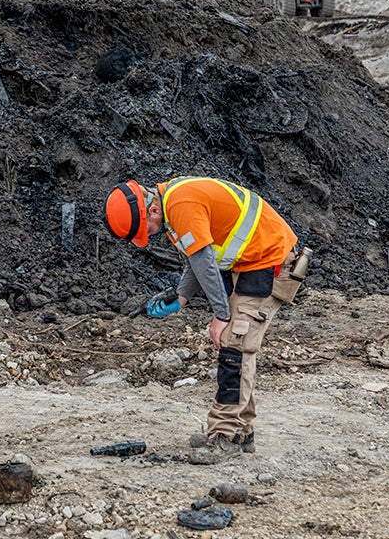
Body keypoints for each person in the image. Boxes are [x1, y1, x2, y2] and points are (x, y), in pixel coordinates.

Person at [103, 176, 306, 459]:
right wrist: (182, 296)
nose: (148, 237)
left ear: (150, 210)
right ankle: (241, 431)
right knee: (237, 344)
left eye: (145, 230)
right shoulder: (173, 203)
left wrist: (221, 315)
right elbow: (197, 255)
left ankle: (226, 436)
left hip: (269, 261)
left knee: (235, 344)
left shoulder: (181, 203)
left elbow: (204, 260)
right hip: (252, 262)